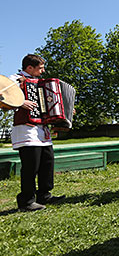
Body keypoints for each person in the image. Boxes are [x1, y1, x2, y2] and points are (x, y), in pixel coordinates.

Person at [9, 54, 65, 212]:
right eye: (40, 68)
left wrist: (64, 111)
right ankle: (26, 201)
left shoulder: (43, 83)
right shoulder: (15, 79)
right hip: (26, 128)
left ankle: (44, 195)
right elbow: (3, 94)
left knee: (47, 162)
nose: (43, 71)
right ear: (29, 68)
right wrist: (21, 101)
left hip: (42, 129)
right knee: (30, 166)